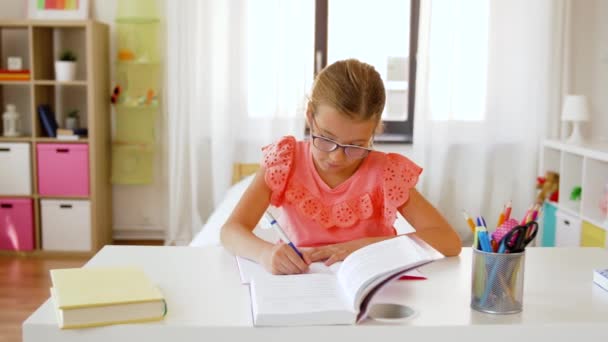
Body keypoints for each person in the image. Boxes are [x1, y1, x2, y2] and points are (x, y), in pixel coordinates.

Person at [221, 59, 461, 275]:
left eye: (356, 145)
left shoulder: (385, 173)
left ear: (375, 129)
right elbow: (231, 231)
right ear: (310, 116)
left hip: (371, 292)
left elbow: (448, 240)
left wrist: (363, 246)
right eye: (326, 139)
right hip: (298, 286)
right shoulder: (285, 161)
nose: (336, 157)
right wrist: (265, 254)